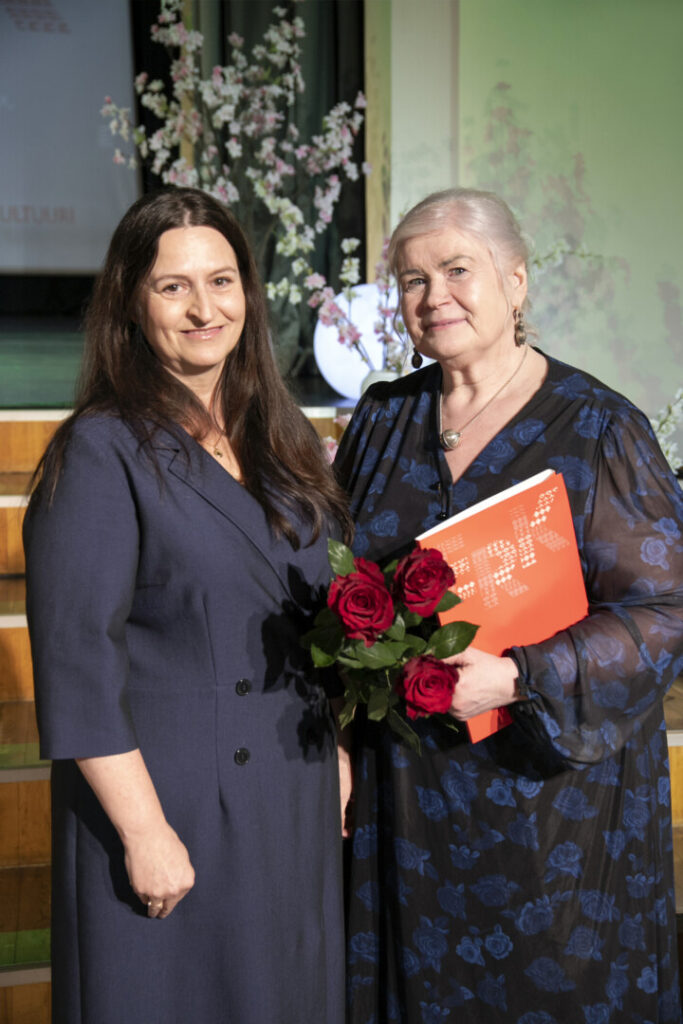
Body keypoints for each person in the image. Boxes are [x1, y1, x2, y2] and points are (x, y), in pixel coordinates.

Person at [335, 187, 683, 1023]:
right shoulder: (381, 420)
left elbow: (666, 611)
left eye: (457, 270)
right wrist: (337, 740)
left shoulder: (599, 427)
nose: (434, 296)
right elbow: (333, 584)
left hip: (551, 804)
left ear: (516, 281)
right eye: (412, 280)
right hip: (404, 795)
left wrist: (521, 676)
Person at [24, 187, 352, 1024]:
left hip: (289, 793)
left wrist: (338, 746)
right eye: (174, 287)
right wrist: (143, 832)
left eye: (221, 281)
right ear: (131, 304)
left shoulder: (279, 438)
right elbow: (76, 659)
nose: (205, 309)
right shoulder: (101, 449)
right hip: (171, 806)